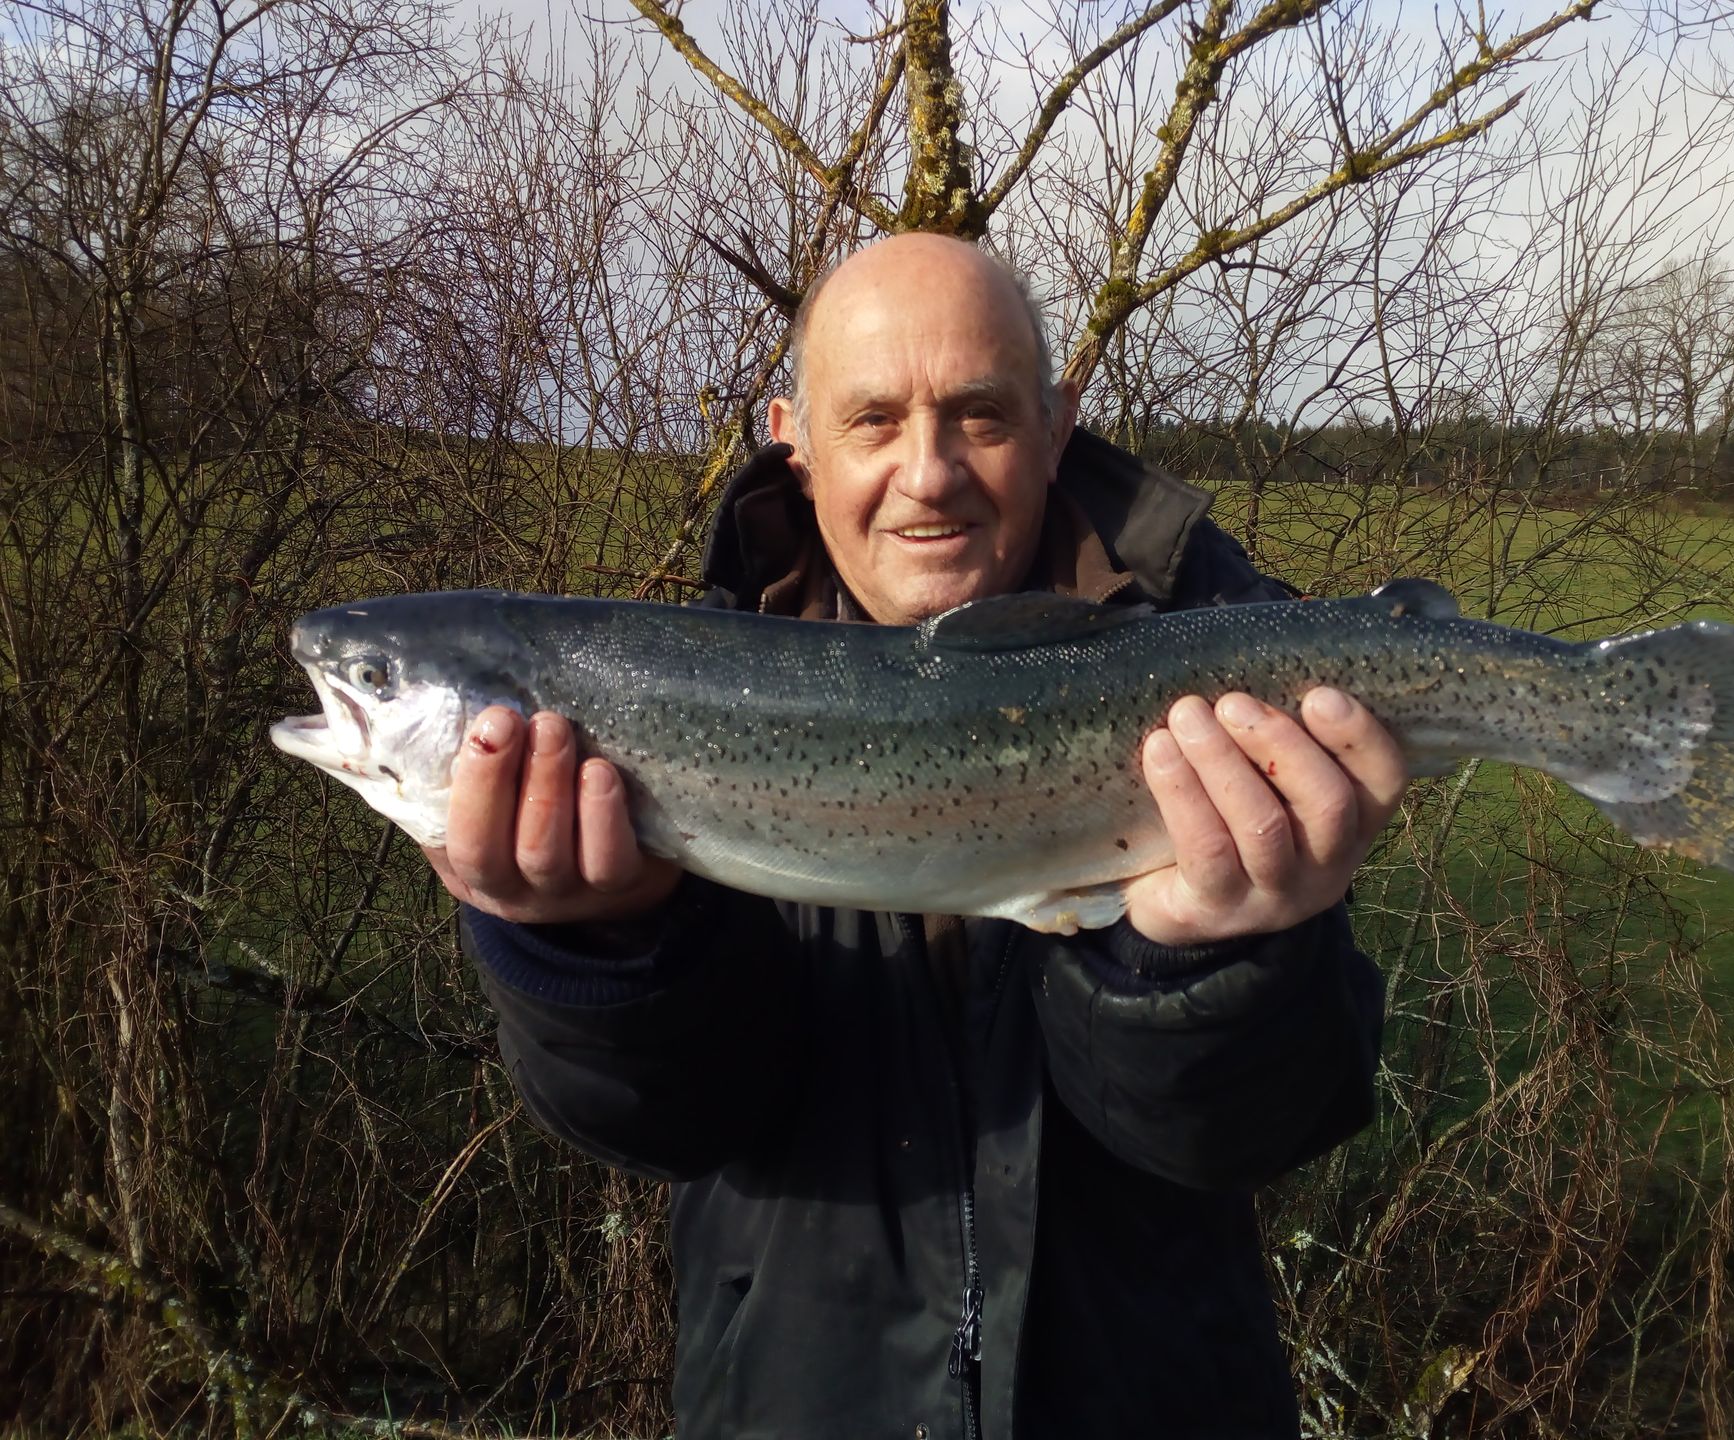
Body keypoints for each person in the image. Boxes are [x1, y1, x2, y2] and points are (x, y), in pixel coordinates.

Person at [433, 234, 1407, 1438]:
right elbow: (676, 1122)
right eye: (875, 420)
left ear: (1058, 425)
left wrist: (1197, 969)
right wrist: (602, 953)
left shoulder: (1226, 689)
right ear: (793, 436)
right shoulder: (670, 710)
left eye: (981, 417)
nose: (928, 472)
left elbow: (1271, 1125)